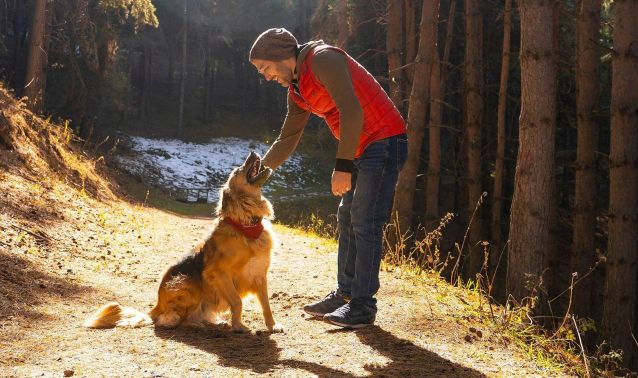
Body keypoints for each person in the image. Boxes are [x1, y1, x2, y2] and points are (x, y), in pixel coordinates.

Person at [249, 28, 407, 328]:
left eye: (265, 68)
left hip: (385, 140)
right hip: (363, 147)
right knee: (346, 215)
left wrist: (343, 166)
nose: (266, 76)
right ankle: (345, 294)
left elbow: (352, 111)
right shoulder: (296, 90)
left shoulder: (322, 59)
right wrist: (259, 175)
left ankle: (363, 305)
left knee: (364, 218)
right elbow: (288, 138)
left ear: (281, 56)